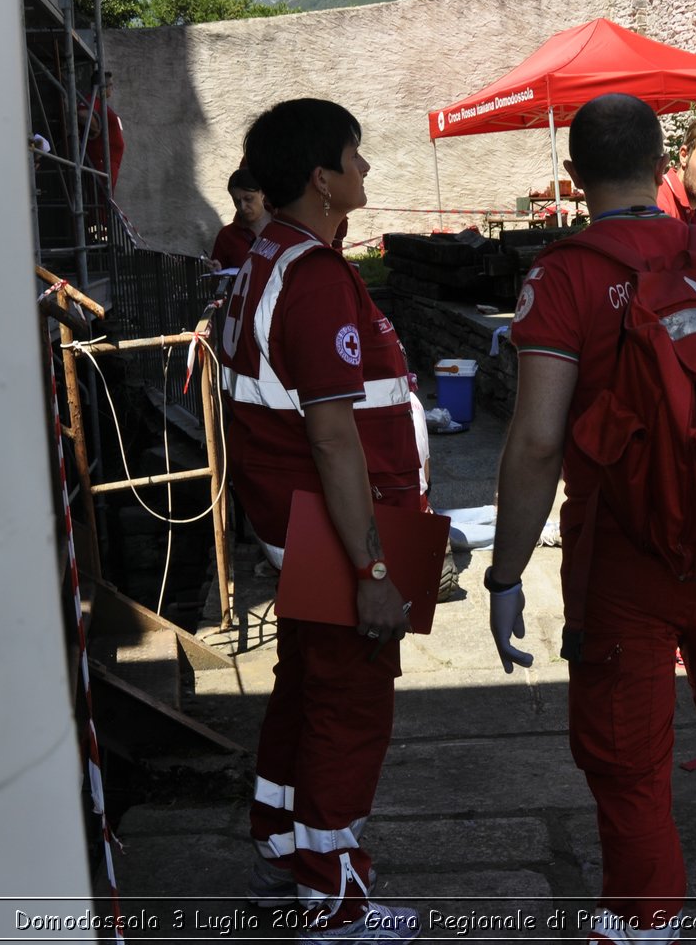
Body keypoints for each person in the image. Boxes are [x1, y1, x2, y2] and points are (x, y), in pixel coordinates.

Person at [486, 94, 696, 944]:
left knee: (626, 749)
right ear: (664, 166)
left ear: (576, 177)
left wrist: (506, 574)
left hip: (625, 545)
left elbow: (539, 440)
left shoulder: (566, 274)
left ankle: (642, 920)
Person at [215, 98, 420, 942]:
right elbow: (334, 436)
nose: (366, 171)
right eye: (355, 158)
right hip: (336, 532)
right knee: (349, 706)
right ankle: (335, 902)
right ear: (322, 179)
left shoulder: (267, 259)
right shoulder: (314, 278)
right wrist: (373, 571)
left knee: (303, 692)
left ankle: (281, 851)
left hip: (297, 525)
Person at [209, 168, 269, 271]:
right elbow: (217, 283)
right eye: (237, 201)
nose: (243, 206)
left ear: (262, 193)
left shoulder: (283, 224)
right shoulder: (226, 235)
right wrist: (218, 272)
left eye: (248, 199)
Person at [79, 70, 125, 190]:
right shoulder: (93, 100)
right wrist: (96, 128)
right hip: (102, 163)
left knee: (105, 201)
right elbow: (82, 114)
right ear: (103, 87)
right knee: (102, 201)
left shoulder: (101, 104)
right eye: (110, 85)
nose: (112, 88)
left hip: (109, 163)